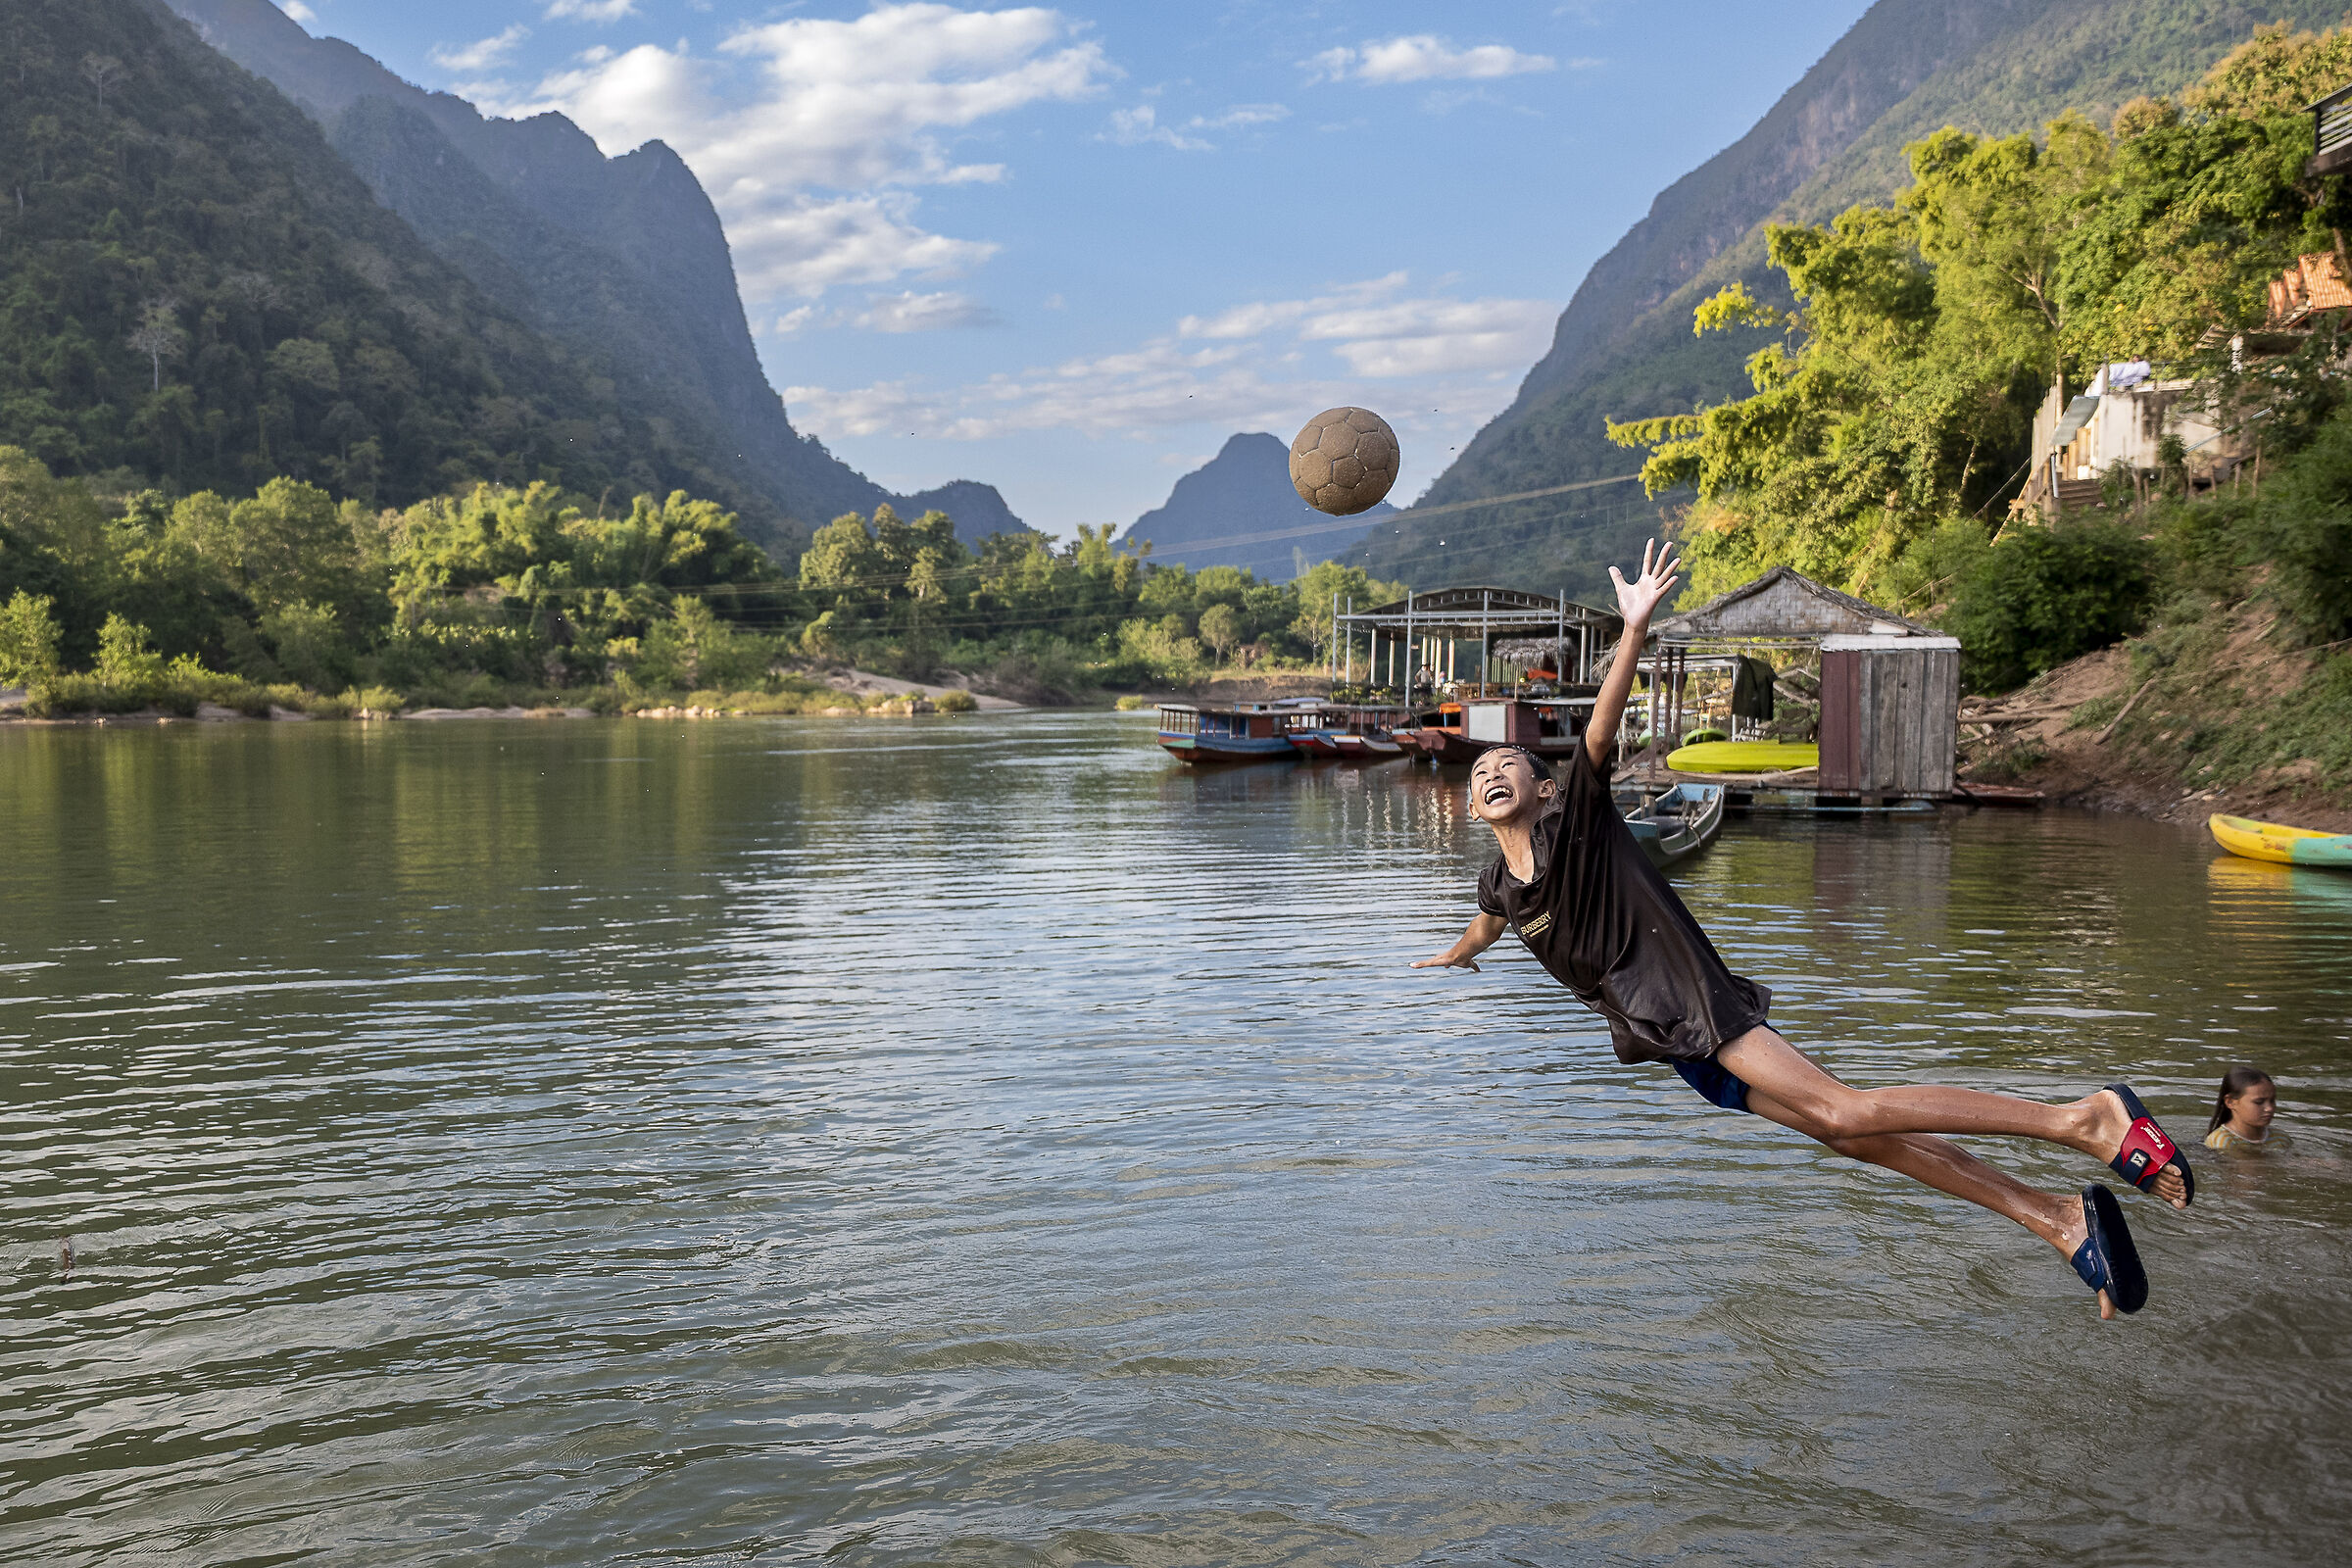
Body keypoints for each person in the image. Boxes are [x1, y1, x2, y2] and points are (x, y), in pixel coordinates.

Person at [1413, 539, 2194, 1319]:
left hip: (1697, 1002)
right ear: (1474, 808)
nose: (1491, 774)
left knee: (1848, 1111)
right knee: (1846, 1135)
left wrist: (1635, 628)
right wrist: (1456, 954)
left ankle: (2083, 1120)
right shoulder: (1497, 884)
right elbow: (1489, 926)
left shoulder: (1578, 822)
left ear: (1546, 789)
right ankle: (2056, 1218)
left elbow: (1600, 726)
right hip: (1666, 1039)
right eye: (1480, 774)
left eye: (1508, 765)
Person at [2205, 1067, 2279, 1153]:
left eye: (2272, 1100)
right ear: (2230, 1102)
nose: (2269, 1108)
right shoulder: (2221, 1141)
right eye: (2259, 1102)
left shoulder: (2280, 1138)